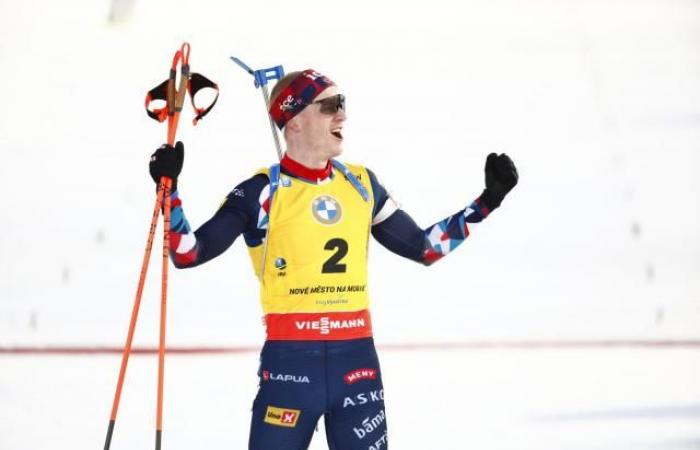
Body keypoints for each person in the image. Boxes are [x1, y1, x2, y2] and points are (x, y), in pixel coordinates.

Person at [149, 69, 518, 450]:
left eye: (342, 104)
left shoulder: (361, 184)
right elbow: (187, 252)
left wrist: (488, 201)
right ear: (293, 121)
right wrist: (169, 192)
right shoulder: (261, 191)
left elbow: (425, 248)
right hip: (291, 367)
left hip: (357, 363)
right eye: (329, 106)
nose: (342, 115)